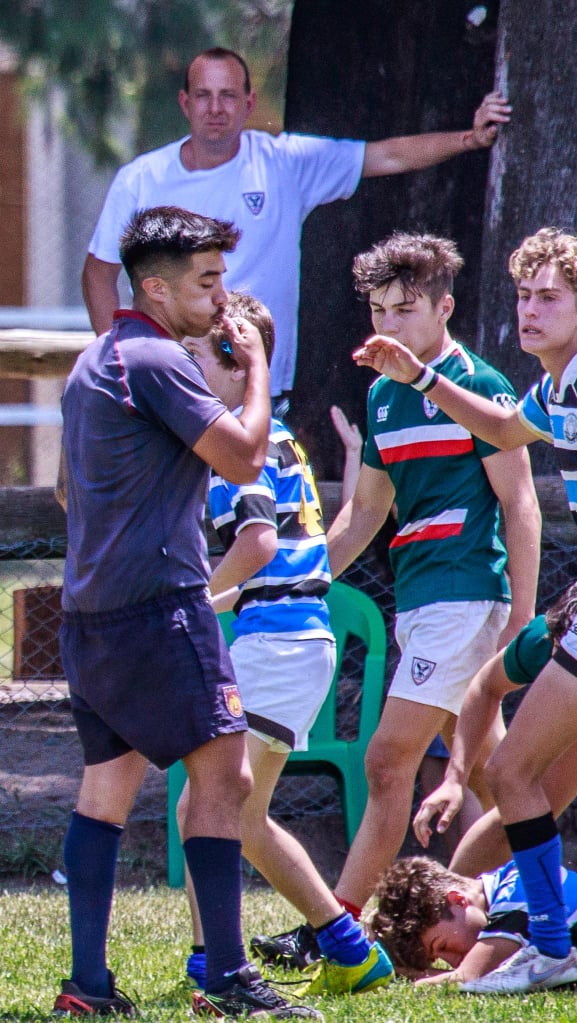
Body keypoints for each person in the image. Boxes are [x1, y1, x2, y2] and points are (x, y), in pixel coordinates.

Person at [52, 206, 314, 1018]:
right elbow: (242, 454)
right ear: (156, 288)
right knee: (226, 776)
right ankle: (227, 976)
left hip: (88, 613)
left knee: (105, 788)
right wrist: (260, 365)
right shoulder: (159, 359)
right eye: (206, 282)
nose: (221, 296)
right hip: (161, 606)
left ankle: (87, 986)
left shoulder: (93, 360)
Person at [352, 227, 577, 992]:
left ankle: (551, 945)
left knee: (511, 772)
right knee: (518, 778)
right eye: (523, 295)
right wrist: (418, 374)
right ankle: (539, 935)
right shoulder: (551, 388)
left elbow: (516, 492)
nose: (528, 310)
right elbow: (497, 428)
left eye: (548, 298)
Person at [282, 234, 537, 957]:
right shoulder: (381, 396)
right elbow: (363, 514)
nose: (386, 325)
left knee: (388, 759)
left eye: (403, 309)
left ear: (443, 308)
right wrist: (295, 583)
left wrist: (519, 615)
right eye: (377, 310)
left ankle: (334, 926)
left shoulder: (478, 386)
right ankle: (543, 909)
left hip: (464, 595)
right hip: (419, 600)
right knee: (493, 772)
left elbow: (521, 505)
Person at [174, 295, 392, 996]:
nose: (181, 369)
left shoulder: (239, 445)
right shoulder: (277, 440)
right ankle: (337, 947)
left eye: (195, 358)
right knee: (230, 812)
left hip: (278, 649)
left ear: (240, 369)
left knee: (216, 808)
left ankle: (233, 961)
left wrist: (198, 596)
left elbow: (255, 541)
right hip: (288, 643)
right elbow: (304, 554)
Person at [82, 47, 511, 394]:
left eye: (228, 95)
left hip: (258, 383)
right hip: (169, 383)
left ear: (249, 103)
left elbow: (386, 155)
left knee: (258, 498)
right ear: (184, 102)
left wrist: (469, 139)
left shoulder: (283, 163)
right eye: (203, 95)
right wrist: (122, 366)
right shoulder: (140, 179)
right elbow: (98, 275)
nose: (215, 108)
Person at [410, 581, 577, 880]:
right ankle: (452, 907)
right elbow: (484, 686)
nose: (564, 675)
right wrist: (455, 778)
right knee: (515, 803)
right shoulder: (542, 639)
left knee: (518, 789)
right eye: (563, 662)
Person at [366, 856, 577, 988]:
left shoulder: (516, 901)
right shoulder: (509, 878)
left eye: (443, 946)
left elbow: (468, 978)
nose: (452, 960)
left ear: (457, 900)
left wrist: (400, 974)